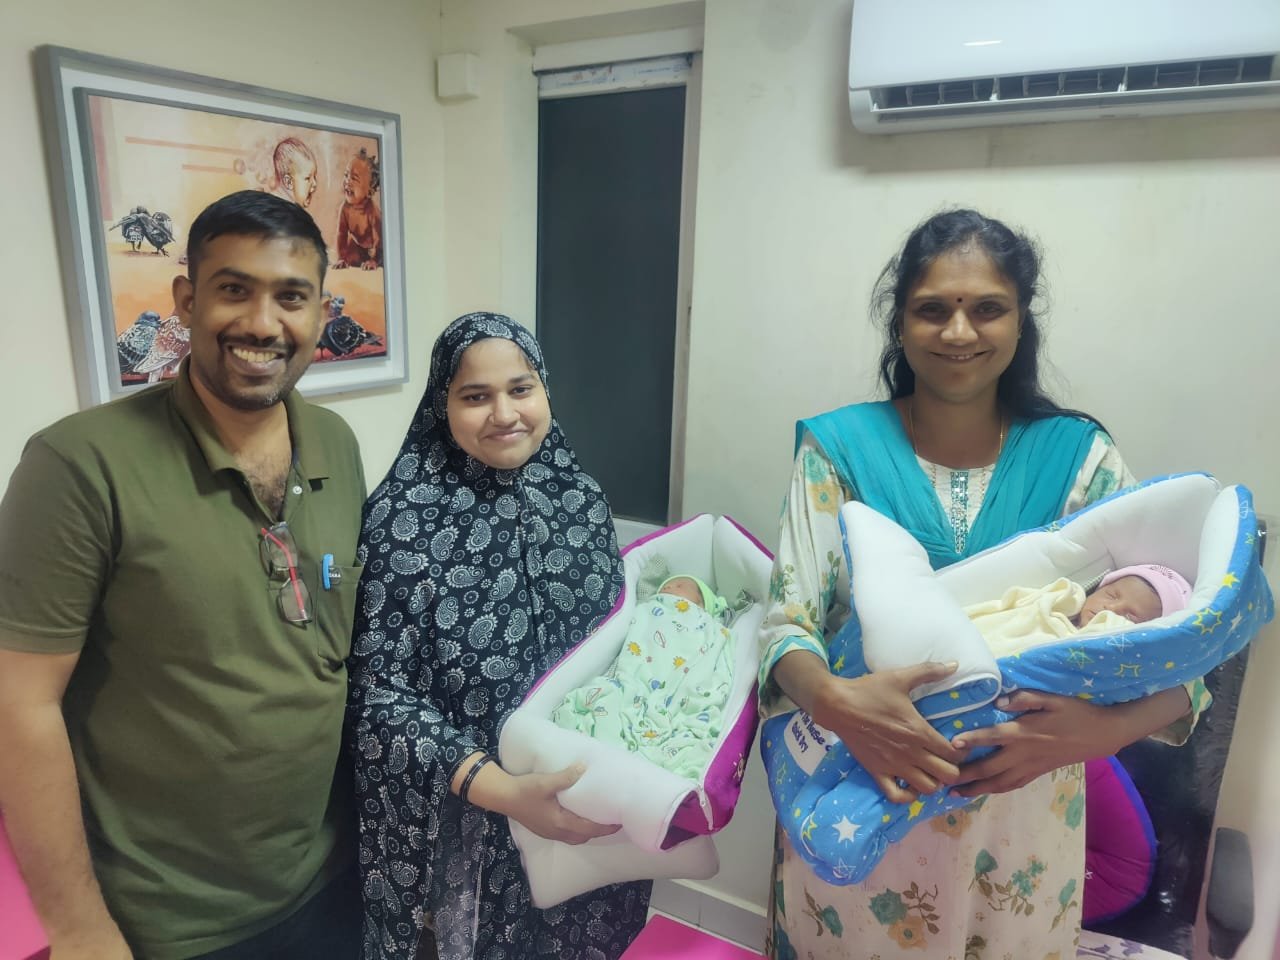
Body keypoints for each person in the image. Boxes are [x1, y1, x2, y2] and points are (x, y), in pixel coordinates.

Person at [757, 209, 1210, 960]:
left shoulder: (1081, 459)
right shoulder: (838, 449)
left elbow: (1186, 660)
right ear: (900, 323)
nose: (959, 331)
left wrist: (1095, 735)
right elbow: (785, 627)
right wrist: (839, 703)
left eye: (987, 308)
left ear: (1021, 321)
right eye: (933, 309)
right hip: (862, 798)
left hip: (1022, 822)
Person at [0, 191, 367, 960]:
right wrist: (77, 927)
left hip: (329, 878)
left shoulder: (335, 442)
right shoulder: (79, 466)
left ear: (319, 311)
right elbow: (19, 706)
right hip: (168, 924)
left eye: (291, 297)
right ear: (187, 299)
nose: (263, 323)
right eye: (234, 289)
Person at [347, 313, 649, 960]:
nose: (505, 414)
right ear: (442, 404)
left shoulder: (579, 498)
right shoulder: (401, 520)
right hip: (471, 819)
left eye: (521, 388)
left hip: (586, 798)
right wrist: (502, 791)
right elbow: (377, 697)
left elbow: (615, 646)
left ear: (545, 390)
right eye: (475, 396)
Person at [551, 573, 738, 778]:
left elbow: (714, 652)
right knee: (611, 697)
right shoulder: (650, 607)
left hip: (679, 681)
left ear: (701, 601)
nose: (669, 587)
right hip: (637, 676)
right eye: (666, 585)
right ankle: (608, 755)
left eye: (679, 585)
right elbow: (646, 580)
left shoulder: (708, 625)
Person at [333, 148, 382, 270]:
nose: (347, 181)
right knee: (350, 251)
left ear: (370, 190)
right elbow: (341, 234)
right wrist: (341, 258)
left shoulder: (372, 212)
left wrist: (374, 260)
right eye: (346, 175)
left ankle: (375, 260)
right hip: (359, 246)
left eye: (354, 178)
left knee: (381, 256)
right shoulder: (345, 209)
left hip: (376, 246)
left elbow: (379, 240)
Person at [271, 137, 319, 208]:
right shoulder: (282, 211)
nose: (314, 184)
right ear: (289, 182)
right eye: (308, 178)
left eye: (314, 176)